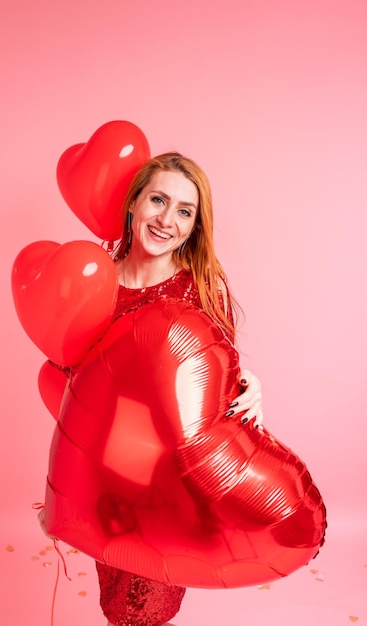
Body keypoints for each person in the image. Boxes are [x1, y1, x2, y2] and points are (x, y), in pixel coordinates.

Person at [94, 151, 264, 626]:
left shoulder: (201, 288)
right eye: (159, 200)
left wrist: (253, 383)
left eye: (184, 211)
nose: (167, 220)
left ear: (193, 226)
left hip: (170, 488)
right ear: (134, 203)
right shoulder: (94, 278)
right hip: (105, 479)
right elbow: (71, 380)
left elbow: (219, 374)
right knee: (115, 604)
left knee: (143, 610)